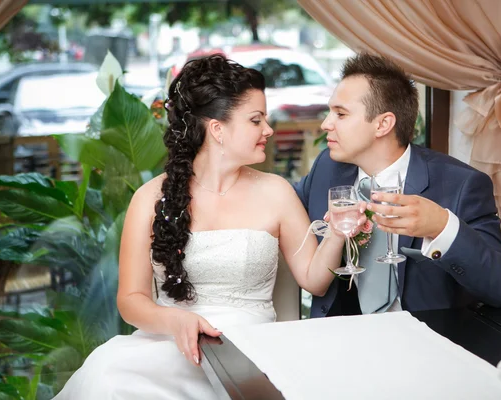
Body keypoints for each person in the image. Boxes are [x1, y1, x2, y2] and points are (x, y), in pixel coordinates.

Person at [55, 54, 357, 400]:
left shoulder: (276, 192)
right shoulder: (149, 198)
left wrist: (336, 232)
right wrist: (176, 321)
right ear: (217, 129)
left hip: (247, 354)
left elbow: (315, 281)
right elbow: (130, 299)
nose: (268, 130)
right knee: (107, 378)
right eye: (256, 120)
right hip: (168, 347)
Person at [295, 53, 501, 318]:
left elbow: (500, 288)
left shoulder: (461, 184)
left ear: (383, 124)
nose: (325, 124)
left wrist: (441, 227)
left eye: (340, 114)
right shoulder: (328, 170)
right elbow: (282, 206)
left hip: (429, 340)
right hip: (341, 337)